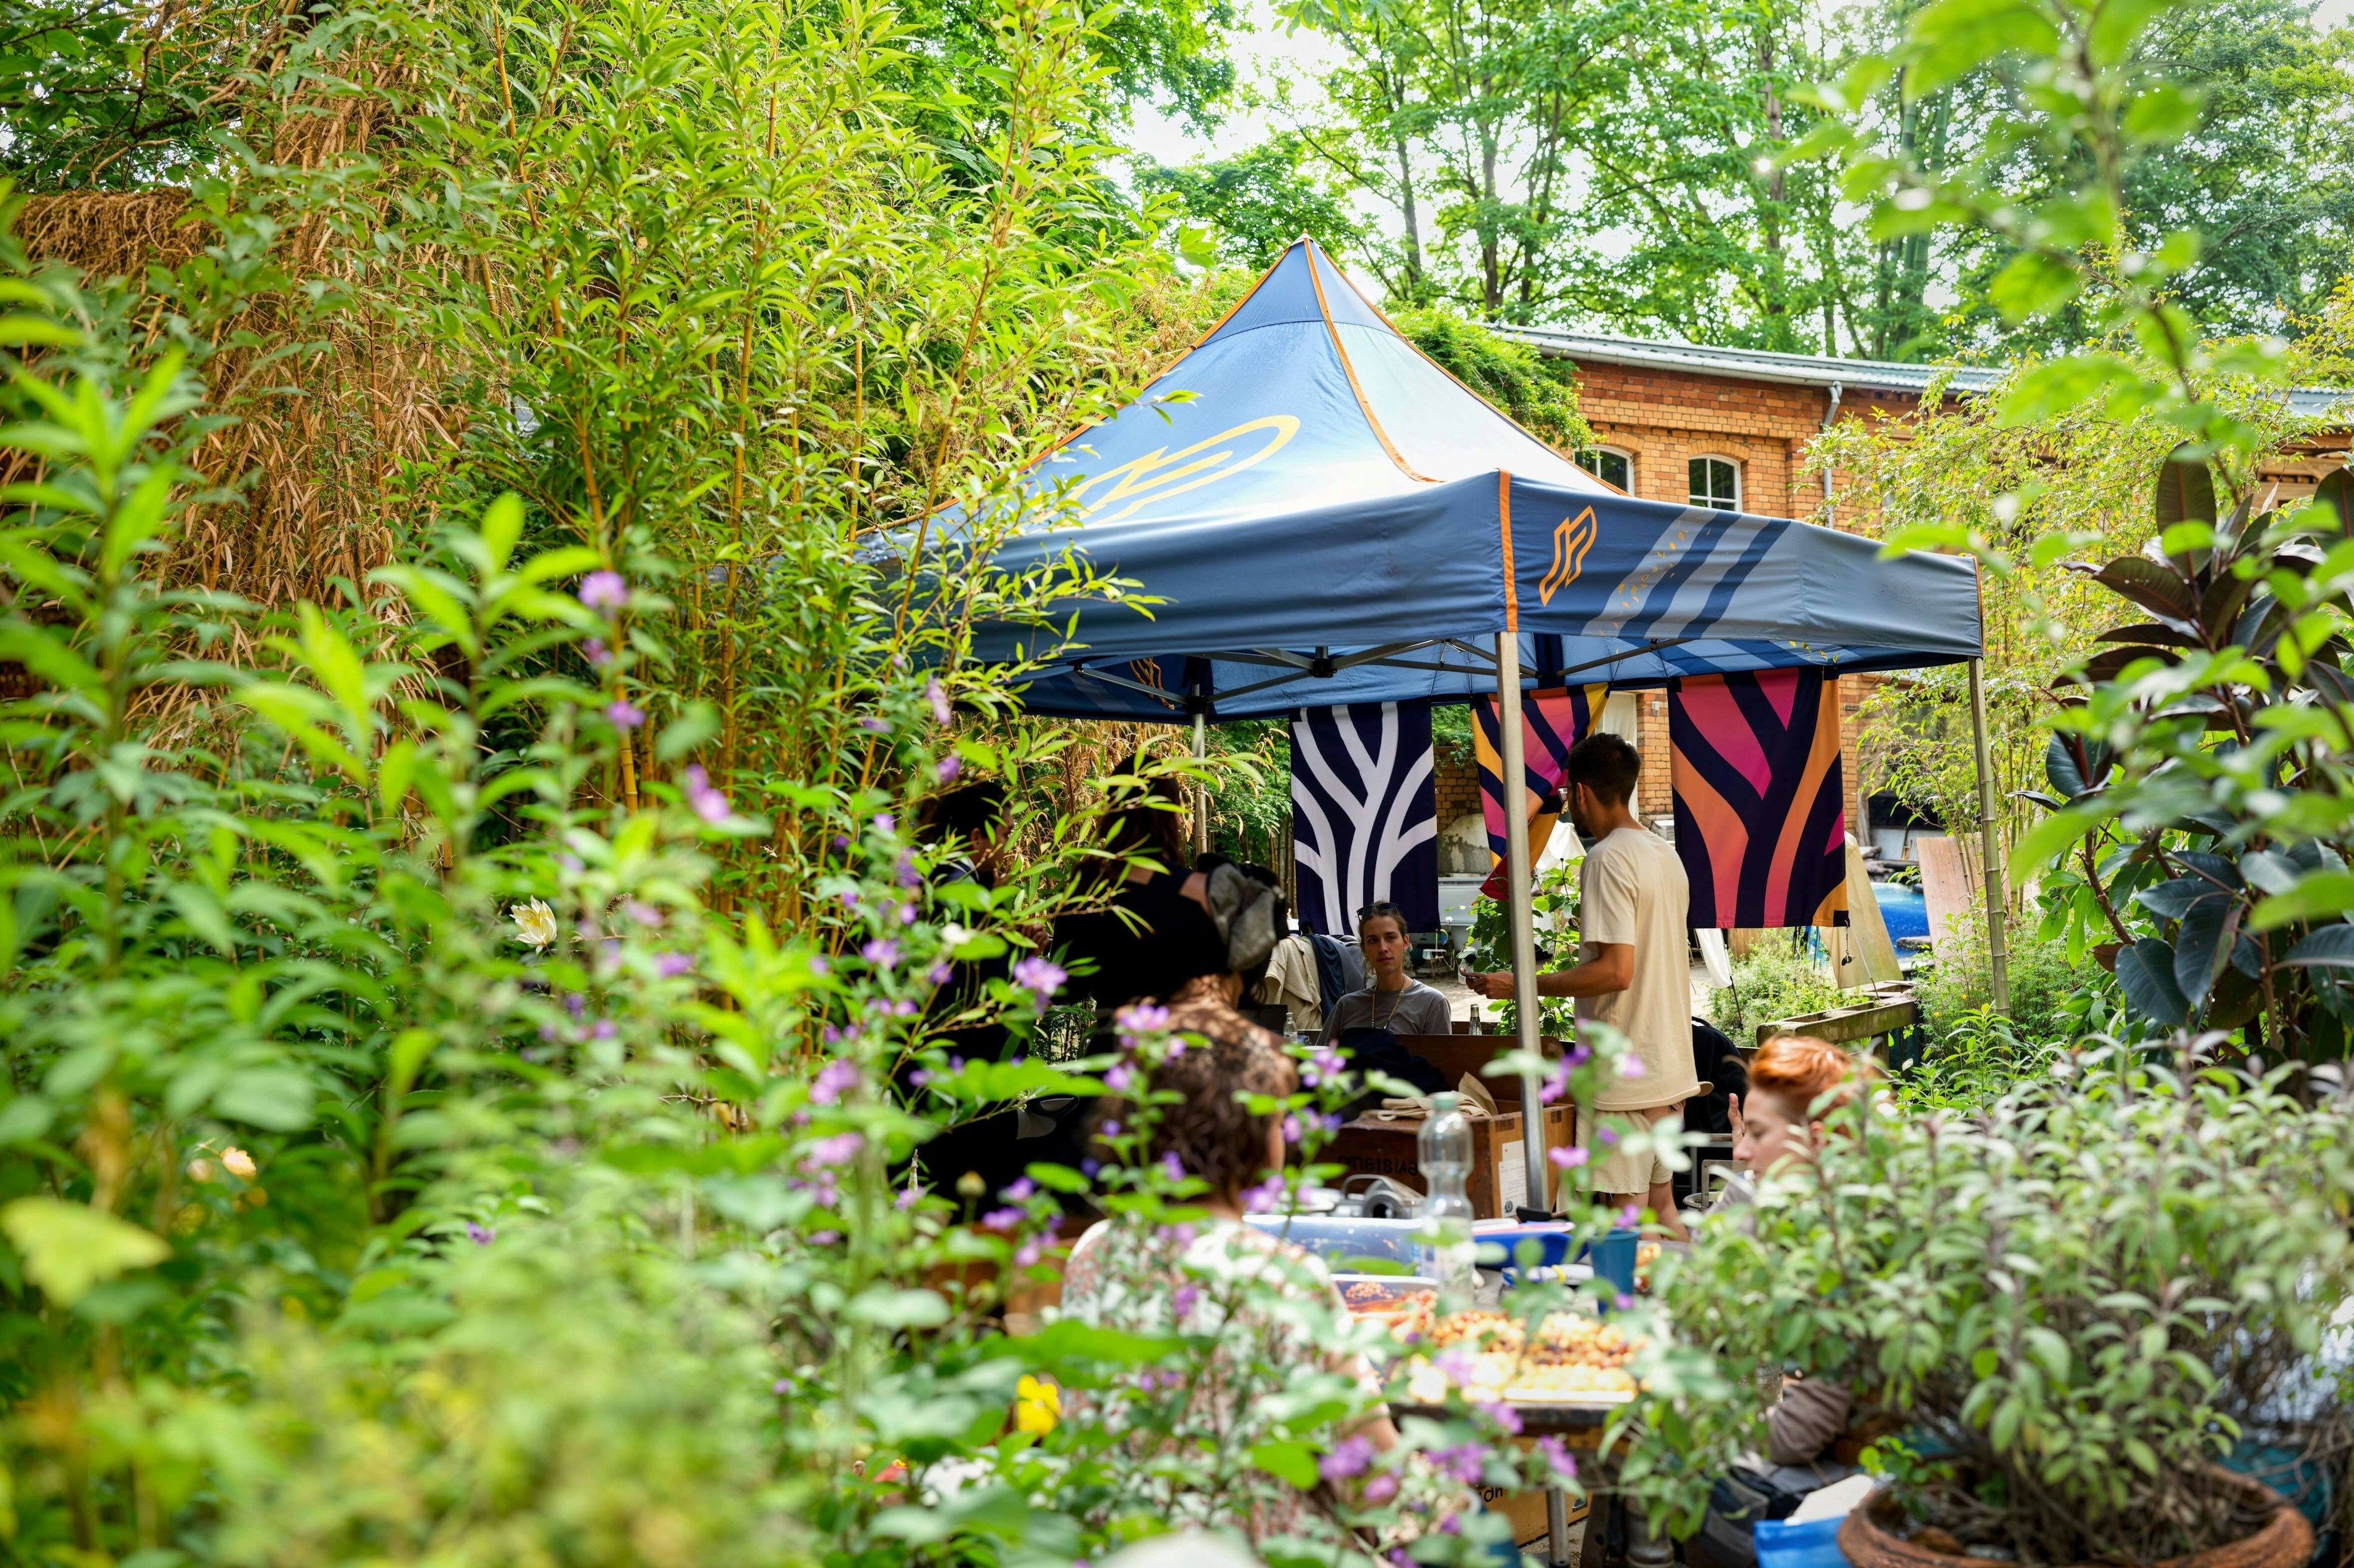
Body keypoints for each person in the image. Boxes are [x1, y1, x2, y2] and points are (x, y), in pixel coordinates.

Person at [1464, 731, 1697, 1239]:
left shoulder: (1609, 858)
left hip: (1626, 1077)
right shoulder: (1665, 854)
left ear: (1583, 792)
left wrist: (1523, 985)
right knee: (1662, 1209)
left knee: (1627, 1224)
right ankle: (1698, 1313)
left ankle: (1636, 1318)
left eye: (1570, 796)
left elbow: (1616, 972)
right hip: (1670, 1066)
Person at [1685, 1035, 1877, 1568]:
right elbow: (1707, 1282)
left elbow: (1795, 1434)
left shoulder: (1850, 1248)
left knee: (1680, 1467)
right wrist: (1750, 1181)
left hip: (1864, 1490)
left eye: (1758, 1134)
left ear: (1814, 1140)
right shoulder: (1815, 1222)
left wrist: (1706, 1416)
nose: (1741, 1149)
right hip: (1826, 1451)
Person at [1319, 902, 1452, 1043]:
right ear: (1364, 949)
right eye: (1373, 940)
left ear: (1405, 942)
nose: (1383, 948)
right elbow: (1321, 1059)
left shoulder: (1431, 1003)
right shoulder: (1347, 1006)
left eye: (1390, 938)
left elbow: (1439, 1062)